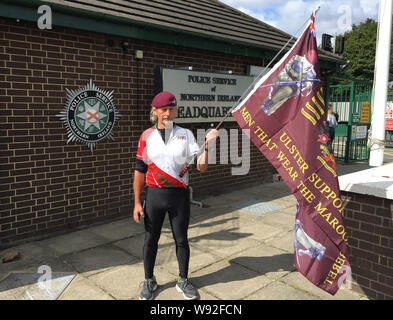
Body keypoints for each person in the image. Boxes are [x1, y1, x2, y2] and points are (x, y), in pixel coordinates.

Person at [133, 91, 218, 300]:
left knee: (182, 240)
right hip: (154, 196)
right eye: (163, 110)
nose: (168, 113)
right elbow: (139, 169)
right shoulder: (146, 136)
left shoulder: (185, 134)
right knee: (150, 240)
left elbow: (201, 167)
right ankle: (149, 281)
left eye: (171, 109)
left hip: (179, 197)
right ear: (155, 111)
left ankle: (183, 280)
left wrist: (207, 144)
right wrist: (136, 201)